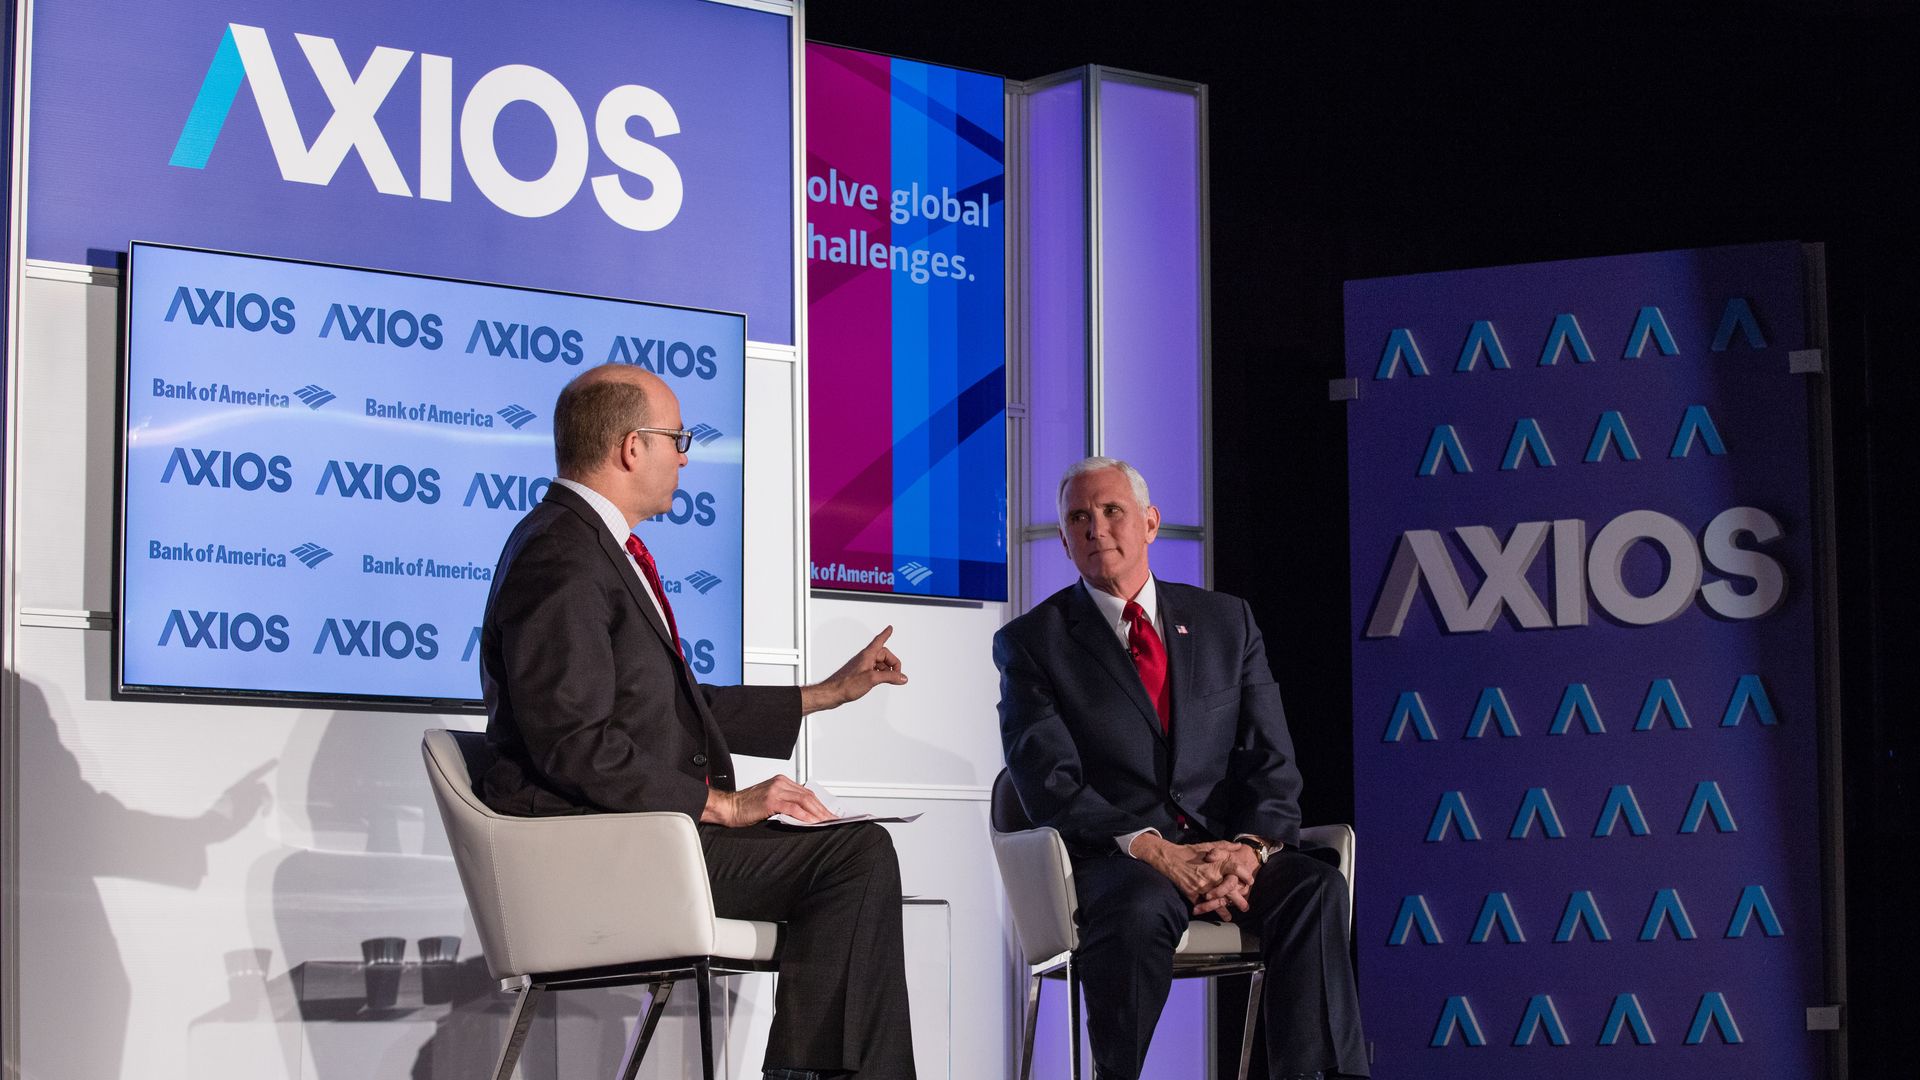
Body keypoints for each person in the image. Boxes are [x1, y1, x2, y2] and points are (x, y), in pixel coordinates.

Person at [478, 363, 915, 1080]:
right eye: (677, 438)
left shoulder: (584, 546)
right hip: (604, 852)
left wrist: (824, 693)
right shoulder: (561, 556)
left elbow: (672, 703)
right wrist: (723, 803)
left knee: (851, 852)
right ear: (630, 447)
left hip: (642, 834)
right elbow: (573, 743)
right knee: (852, 857)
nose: (685, 455)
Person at [994, 456, 1366, 1080]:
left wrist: (1247, 850)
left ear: (1150, 523)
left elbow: (1271, 760)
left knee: (1314, 888)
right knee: (1138, 908)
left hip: (1225, 850)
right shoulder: (1033, 643)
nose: (1096, 528)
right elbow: (1047, 783)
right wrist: (1156, 851)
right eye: (1078, 518)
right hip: (1121, 859)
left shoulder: (1227, 621)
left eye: (1112, 511)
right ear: (1063, 540)